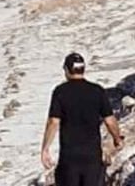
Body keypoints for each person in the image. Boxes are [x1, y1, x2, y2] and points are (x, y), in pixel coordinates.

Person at [40, 53, 123, 186]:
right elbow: (109, 120)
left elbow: (53, 122)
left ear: (67, 70)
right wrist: (117, 139)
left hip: (69, 158)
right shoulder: (97, 91)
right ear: (83, 69)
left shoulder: (60, 91)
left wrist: (45, 149)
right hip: (92, 157)